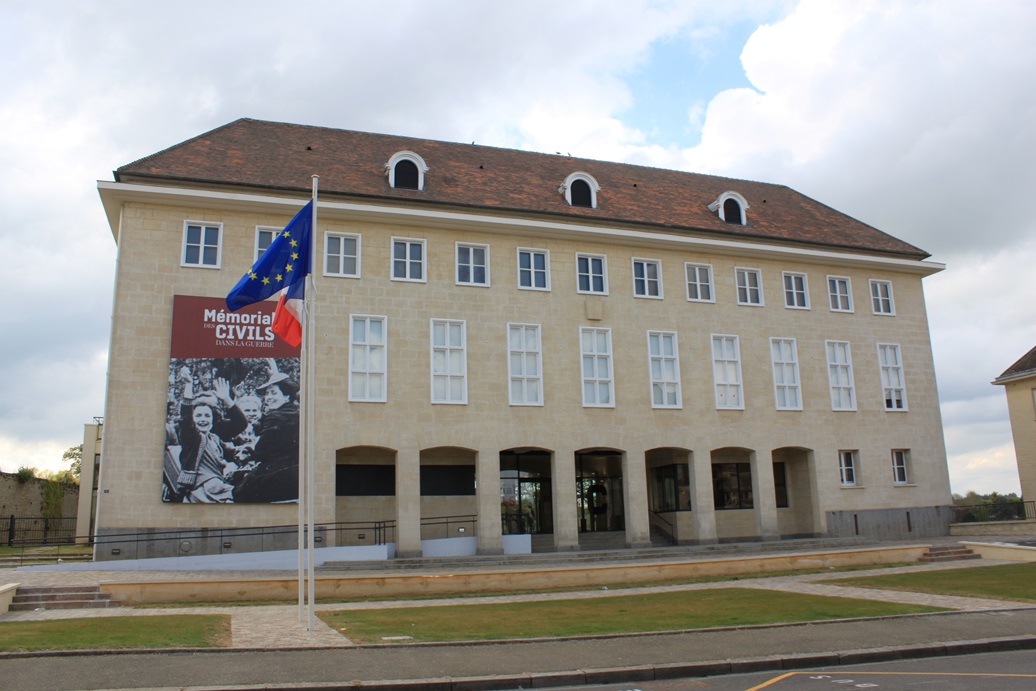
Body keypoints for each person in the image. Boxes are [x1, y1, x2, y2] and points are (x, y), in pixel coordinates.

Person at [173, 368, 247, 503]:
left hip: (217, 485)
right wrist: (189, 385)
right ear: (193, 419)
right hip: (203, 489)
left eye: (207, 416)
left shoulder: (215, 438)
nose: (203, 419)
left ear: (213, 421)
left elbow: (235, 451)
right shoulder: (192, 438)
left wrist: (226, 398)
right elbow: (185, 419)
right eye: (198, 415)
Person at [233, 369, 300, 503]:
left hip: (278, 473)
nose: (269, 397)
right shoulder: (296, 413)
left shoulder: (275, 417)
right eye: (268, 393)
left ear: (287, 396)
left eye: (274, 393)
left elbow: (261, 450)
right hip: (296, 471)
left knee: (238, 492)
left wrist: (248, 452)